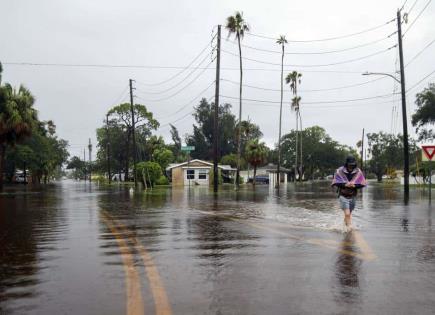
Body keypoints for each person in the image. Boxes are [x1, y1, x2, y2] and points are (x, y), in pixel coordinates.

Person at [332, 156, 367, 232]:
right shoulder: (339, 171)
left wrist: (355, 185)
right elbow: (336, 182)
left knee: (348, 214)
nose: (351, 165)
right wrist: (345, 185)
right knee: (347, 214)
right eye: (350, 164)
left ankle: (344, 226)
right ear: (346, 164)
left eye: (353, 164)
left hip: (353, 196)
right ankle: (349, 229)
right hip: (343, 195)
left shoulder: (358, 172)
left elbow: (362, 183)